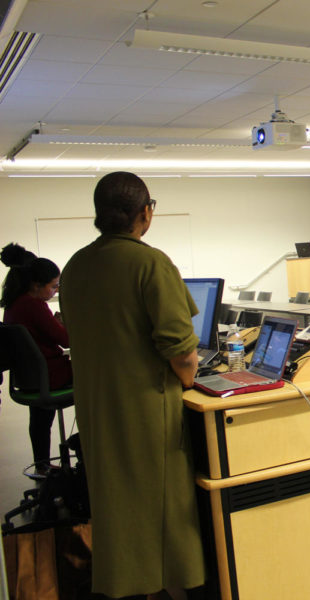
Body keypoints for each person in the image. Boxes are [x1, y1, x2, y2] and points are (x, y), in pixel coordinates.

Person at [59, 172, 204, 599]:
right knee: (159, 508)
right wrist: (190, 379)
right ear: (146, 212)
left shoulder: (76, 266)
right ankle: (167, 585)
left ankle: (122, 584)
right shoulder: (150, 263)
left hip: (96, 408)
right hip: (145, 412)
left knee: (114, 504)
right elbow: (182, 352)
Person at [1, 243, 71, 473]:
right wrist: (63, 324)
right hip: (52, 376)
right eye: (53, 286)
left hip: (29, 380)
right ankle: (89, 454)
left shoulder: (13, 305)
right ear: (36, 284)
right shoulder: (35, 306)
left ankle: (42, 465)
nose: (56, 291)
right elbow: (66, 340)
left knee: (39, 415)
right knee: (98, 378)